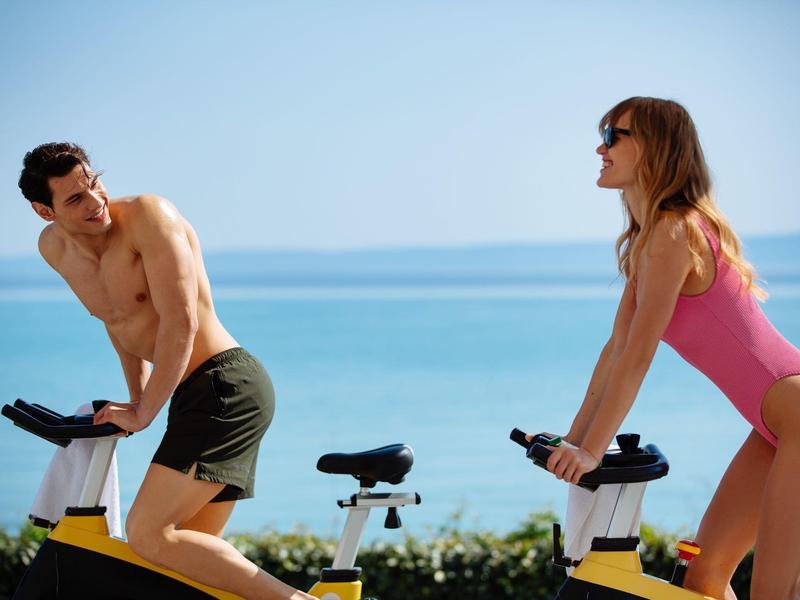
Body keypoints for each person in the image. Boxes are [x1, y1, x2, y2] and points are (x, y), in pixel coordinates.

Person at [18, 143, 317, 600]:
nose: (96, 202)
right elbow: (115, 320)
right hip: (191, 393)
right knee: (185, 576)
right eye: (75, 199)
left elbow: (181, 324)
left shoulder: (149, 217)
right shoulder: (54, 248)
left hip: (225, 384)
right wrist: (137, 397)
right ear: (45, 211)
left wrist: (143, 414)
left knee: (148, 534)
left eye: (94, 183)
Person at [534, 97, 800, 599]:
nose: (601, 147)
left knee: (774, 593)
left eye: (615, 136)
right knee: (704, 579)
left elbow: (639, 355)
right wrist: (572, 440)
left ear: (654, 148)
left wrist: (592, 451)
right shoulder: (649, 240)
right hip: (776, 427)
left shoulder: (675, 231)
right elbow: (616, 349)